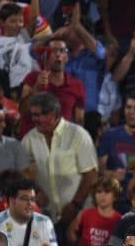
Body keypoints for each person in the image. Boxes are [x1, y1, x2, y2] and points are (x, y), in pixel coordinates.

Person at [20, 93, 98, 223]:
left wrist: (75, 205)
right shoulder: (29, 139)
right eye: (32, 115)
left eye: (38, 115)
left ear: (52, 114)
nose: (34, 119)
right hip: (45, 217)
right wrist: (36, 191)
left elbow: (91, 175)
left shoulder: (78, 135)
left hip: (79, 216)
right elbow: (22, 173)